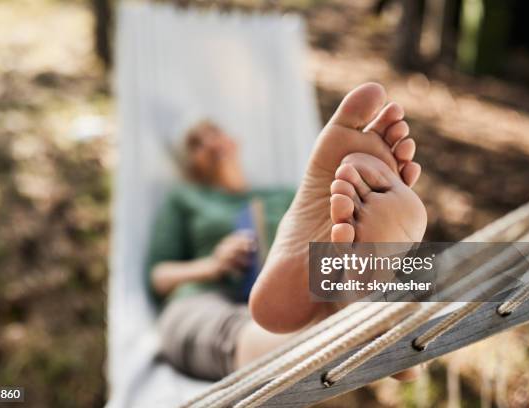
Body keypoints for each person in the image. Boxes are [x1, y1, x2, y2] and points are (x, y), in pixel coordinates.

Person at [149, 83, 426, 382]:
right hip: (204, 298)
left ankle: (343, 294)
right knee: (234, 330)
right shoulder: (187, 199)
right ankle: (347, 313)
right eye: (195, 144)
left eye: (213, 132)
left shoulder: (280, 197)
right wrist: (212, 266)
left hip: (292, 303)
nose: (210, 144)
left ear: (233, 140)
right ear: (190, 165)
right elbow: (159, 277)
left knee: (293, 304)